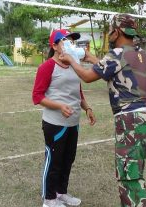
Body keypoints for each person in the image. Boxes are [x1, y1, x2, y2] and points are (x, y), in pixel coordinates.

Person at [59, 14, 146, 207]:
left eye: (110, 30)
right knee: (135, 172)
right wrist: (88, 57)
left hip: (130, 120)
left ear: (117, 31)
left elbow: (87, 76)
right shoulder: (139, 53)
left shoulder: (117, 54)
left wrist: (71, 60)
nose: (108, 34)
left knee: (129, 178)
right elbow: (111, 70)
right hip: (145, 118)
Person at [32, 29, 96, 207]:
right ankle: (49, 199)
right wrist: (59, 106)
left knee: (68, 159)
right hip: (55, 123)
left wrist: (87, 108)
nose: (70, 44)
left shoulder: (74, 64)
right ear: (54, 46)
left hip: (73, 123)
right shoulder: (47, 67)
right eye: (65, 41)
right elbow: (37, 96)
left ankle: (61, 193)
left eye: (72, 41)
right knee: (54, 161)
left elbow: (78, 91)